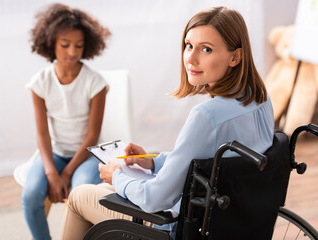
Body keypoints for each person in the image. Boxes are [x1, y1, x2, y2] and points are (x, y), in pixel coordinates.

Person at [60, 6, 274, 240]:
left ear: (235, 57)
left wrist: (116, 176)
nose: (190, 58)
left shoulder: (207, 116)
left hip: (179, 227)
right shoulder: (259, 97)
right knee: (103, 190)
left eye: (206, 49)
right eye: (189, 45)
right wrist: (151, 162)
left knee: (79, 197)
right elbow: (203, 163)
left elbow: (156, 199)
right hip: (235, 221)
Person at [22, 3, 111, 240]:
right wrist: (52, 172)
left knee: (79, 196)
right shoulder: (40, 82)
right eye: (65, 45)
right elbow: (42, 134)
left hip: (88, 155)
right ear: (51, 42)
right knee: (30, 196)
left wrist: (67, 173)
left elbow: (93, 135)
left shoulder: (96, 83)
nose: (72, 52)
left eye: (79, 46)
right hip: (56, 154)